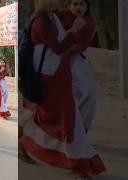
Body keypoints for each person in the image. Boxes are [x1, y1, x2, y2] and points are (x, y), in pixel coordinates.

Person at [20, 0, 106, 179]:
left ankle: (78, 164)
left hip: (58, 75)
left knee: (63, 120)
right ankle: (78, 165)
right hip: (49, 78)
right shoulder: (41, 21)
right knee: (63, 120)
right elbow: (58, 47)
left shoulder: (52, 18)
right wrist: (74, 30)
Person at [57, 0, 97, 134]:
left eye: (82, 4)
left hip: (77, 60)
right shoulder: (61, 18)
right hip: (61, 60)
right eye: (75, 4)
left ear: (87, 7)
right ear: (69, 6)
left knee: (88, 94)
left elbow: (84, 42)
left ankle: (80, 127)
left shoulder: (89, 21)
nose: (78, 7)